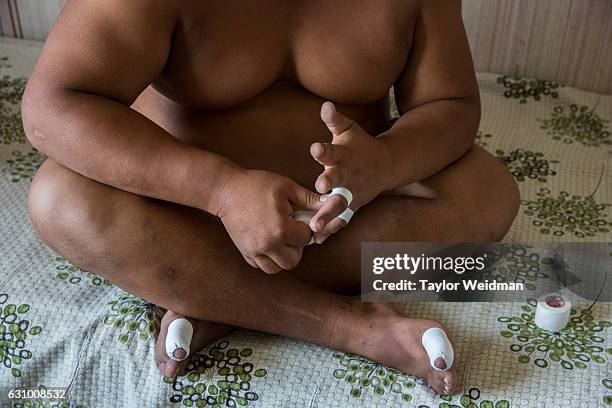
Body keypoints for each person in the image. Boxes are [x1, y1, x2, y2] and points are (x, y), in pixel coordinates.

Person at [22, 0, 519, 395]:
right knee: (59, 198)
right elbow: (53, 105)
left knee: (488, 190)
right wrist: (220, 190)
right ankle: (350, 327)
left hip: (346, 212)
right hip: (185, 213)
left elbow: (449, 104)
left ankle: (214, 294)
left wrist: (385, 162)